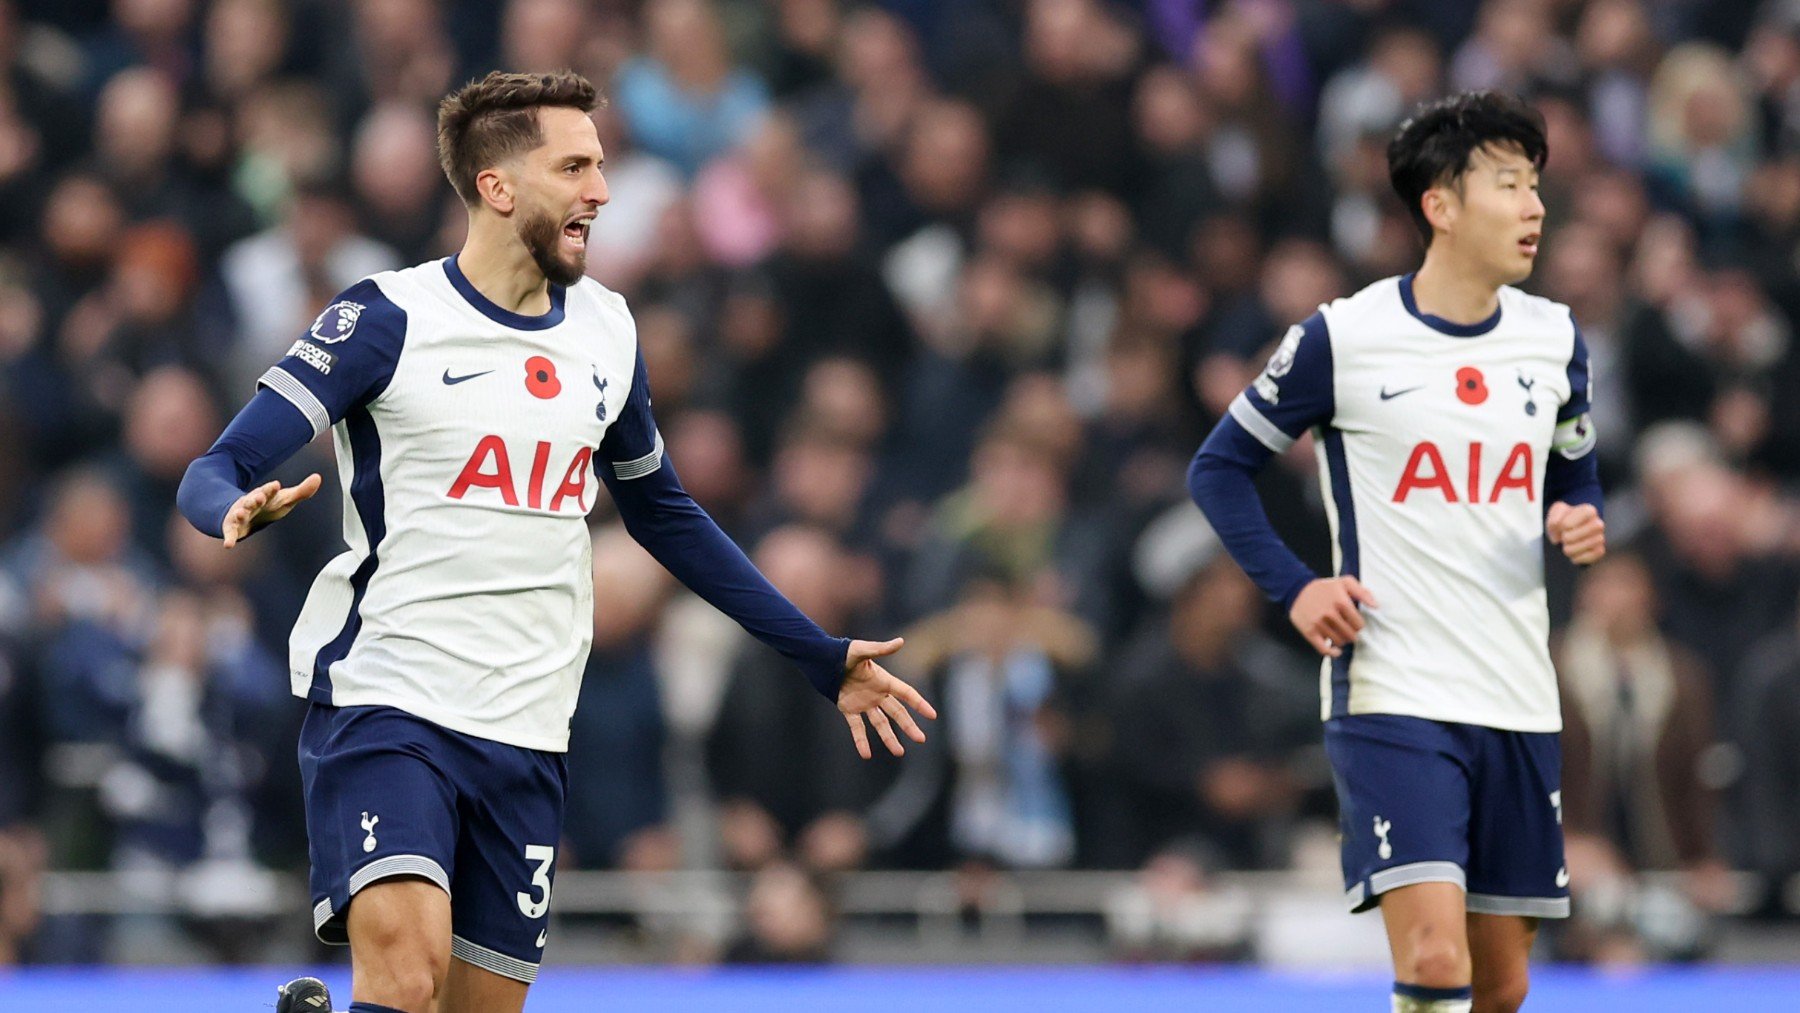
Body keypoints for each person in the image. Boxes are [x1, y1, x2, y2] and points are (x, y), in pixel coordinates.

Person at [175, 70, 935, 1013]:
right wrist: (230, 509)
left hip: (528, 728)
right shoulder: (387, 318)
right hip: (389, 700)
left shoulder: (608, 331)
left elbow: (666, 516)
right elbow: (213, 465)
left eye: (601, 166)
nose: (601, 191)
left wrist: (819, 656)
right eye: (573, 166)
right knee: (405, 977)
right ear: (497, 187)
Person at [1188, 91, 1605, 1013]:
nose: (1535, 206)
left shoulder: (1555, 340)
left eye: (1536, 185)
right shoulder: (1344, 338)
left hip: (1517, 693)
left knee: (1501, 985)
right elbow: (1219, 469)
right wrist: (1294, 588)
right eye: (1509, 184)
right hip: (1393, 691)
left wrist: (1579, 515)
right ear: (1441, 206)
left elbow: (1576, 476)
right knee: (1432, 958)